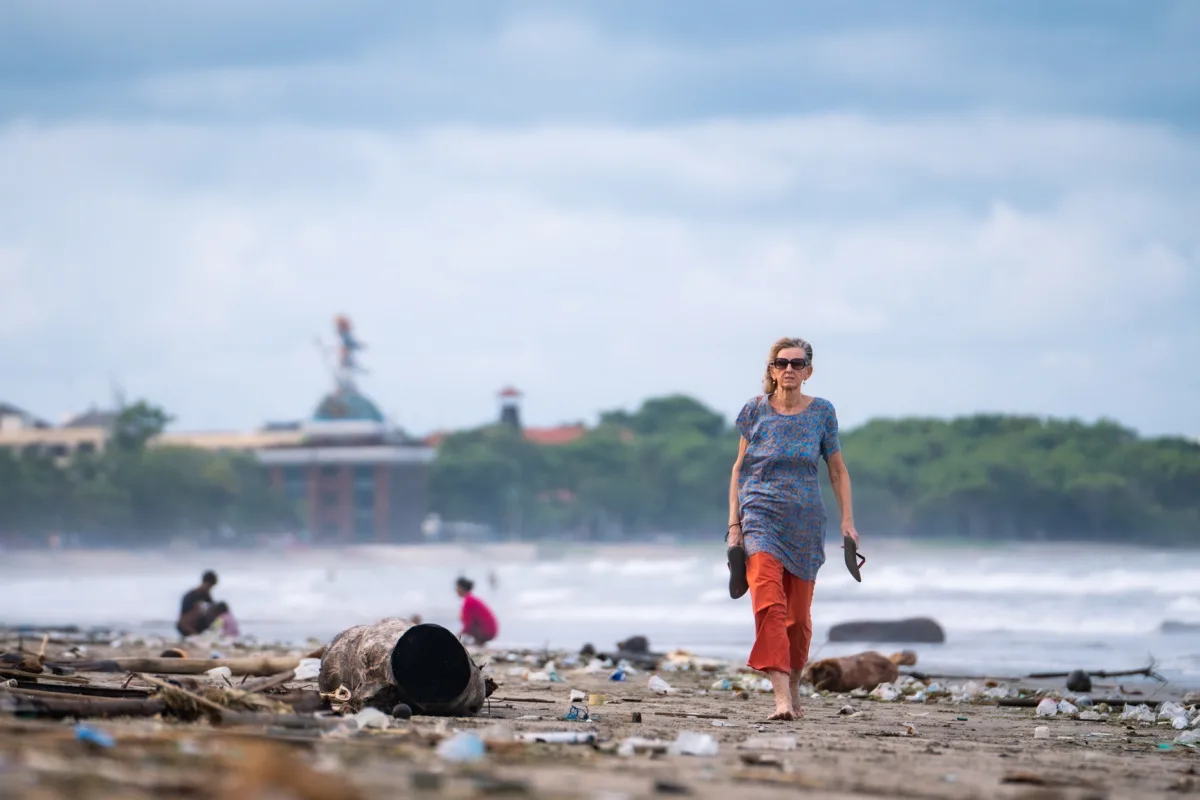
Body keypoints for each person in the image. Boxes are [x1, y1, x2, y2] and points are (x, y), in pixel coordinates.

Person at [727, 337, 860, 721]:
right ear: (772, 370)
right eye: (782, 363)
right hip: (759, 518)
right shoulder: (754, 410)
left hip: (805, 524)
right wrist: (735, 525)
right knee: (770, 605)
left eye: (797, 364)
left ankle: (794, 687)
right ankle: (781, 699)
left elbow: (837, 470)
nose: (789, 369)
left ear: (808, 372)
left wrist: (847, 521)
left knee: (798, 619)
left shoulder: (822, 413)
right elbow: (739, 469)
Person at [177, 570, 235, 638]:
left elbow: (214, 610)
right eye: (209, 586)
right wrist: (194, 633)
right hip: (187, 626)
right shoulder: (190, 597)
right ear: (204, 582)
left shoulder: (206, 595)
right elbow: (183, 620)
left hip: (201, 625)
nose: (209, 589)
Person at [456, 577, 498, 646]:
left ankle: (476, 643)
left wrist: (457, 636)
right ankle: (478, 643)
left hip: (487, 631)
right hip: (490, 629)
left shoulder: (468, 601)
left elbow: (468, 625)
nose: (456, 590)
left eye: (458, 588)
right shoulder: (471, 599)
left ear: (462, 588)